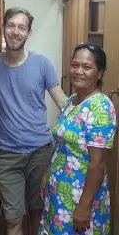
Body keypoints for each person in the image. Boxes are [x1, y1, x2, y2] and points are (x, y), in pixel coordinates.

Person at [0, 7, 68, 235]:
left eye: (22, 27)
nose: (15, 32)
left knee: (37, 213)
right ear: (3, 28)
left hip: (40, 152)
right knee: (12, 219)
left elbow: (62, 101)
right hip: (7, 156)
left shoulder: (42, 63)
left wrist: (90, 114)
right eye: (11, 26)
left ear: (29, 32)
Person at [39, 42, 116, 234]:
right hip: (59, 190)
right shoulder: (72, 100)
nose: (78, 71)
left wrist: (84, 207)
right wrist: (47, 173)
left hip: (80, 196)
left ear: (99, 73)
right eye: (74, 65)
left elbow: (97, 163)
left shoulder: (101, 108)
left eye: (87, 67)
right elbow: (61, 145)